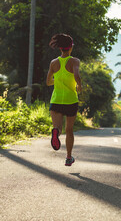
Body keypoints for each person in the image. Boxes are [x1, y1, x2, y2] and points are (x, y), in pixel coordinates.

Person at [46, 33, 82, 166]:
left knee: (58, 127)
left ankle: (55, 132)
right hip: (70, 100)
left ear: (60, 48)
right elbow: (77, 74)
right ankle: (68, 157)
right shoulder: (74, 61)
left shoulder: (53, 63)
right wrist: (79, 85)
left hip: (55, 100)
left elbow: (48, 82)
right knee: (69, 130)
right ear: (70, 47)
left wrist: (58, 80)